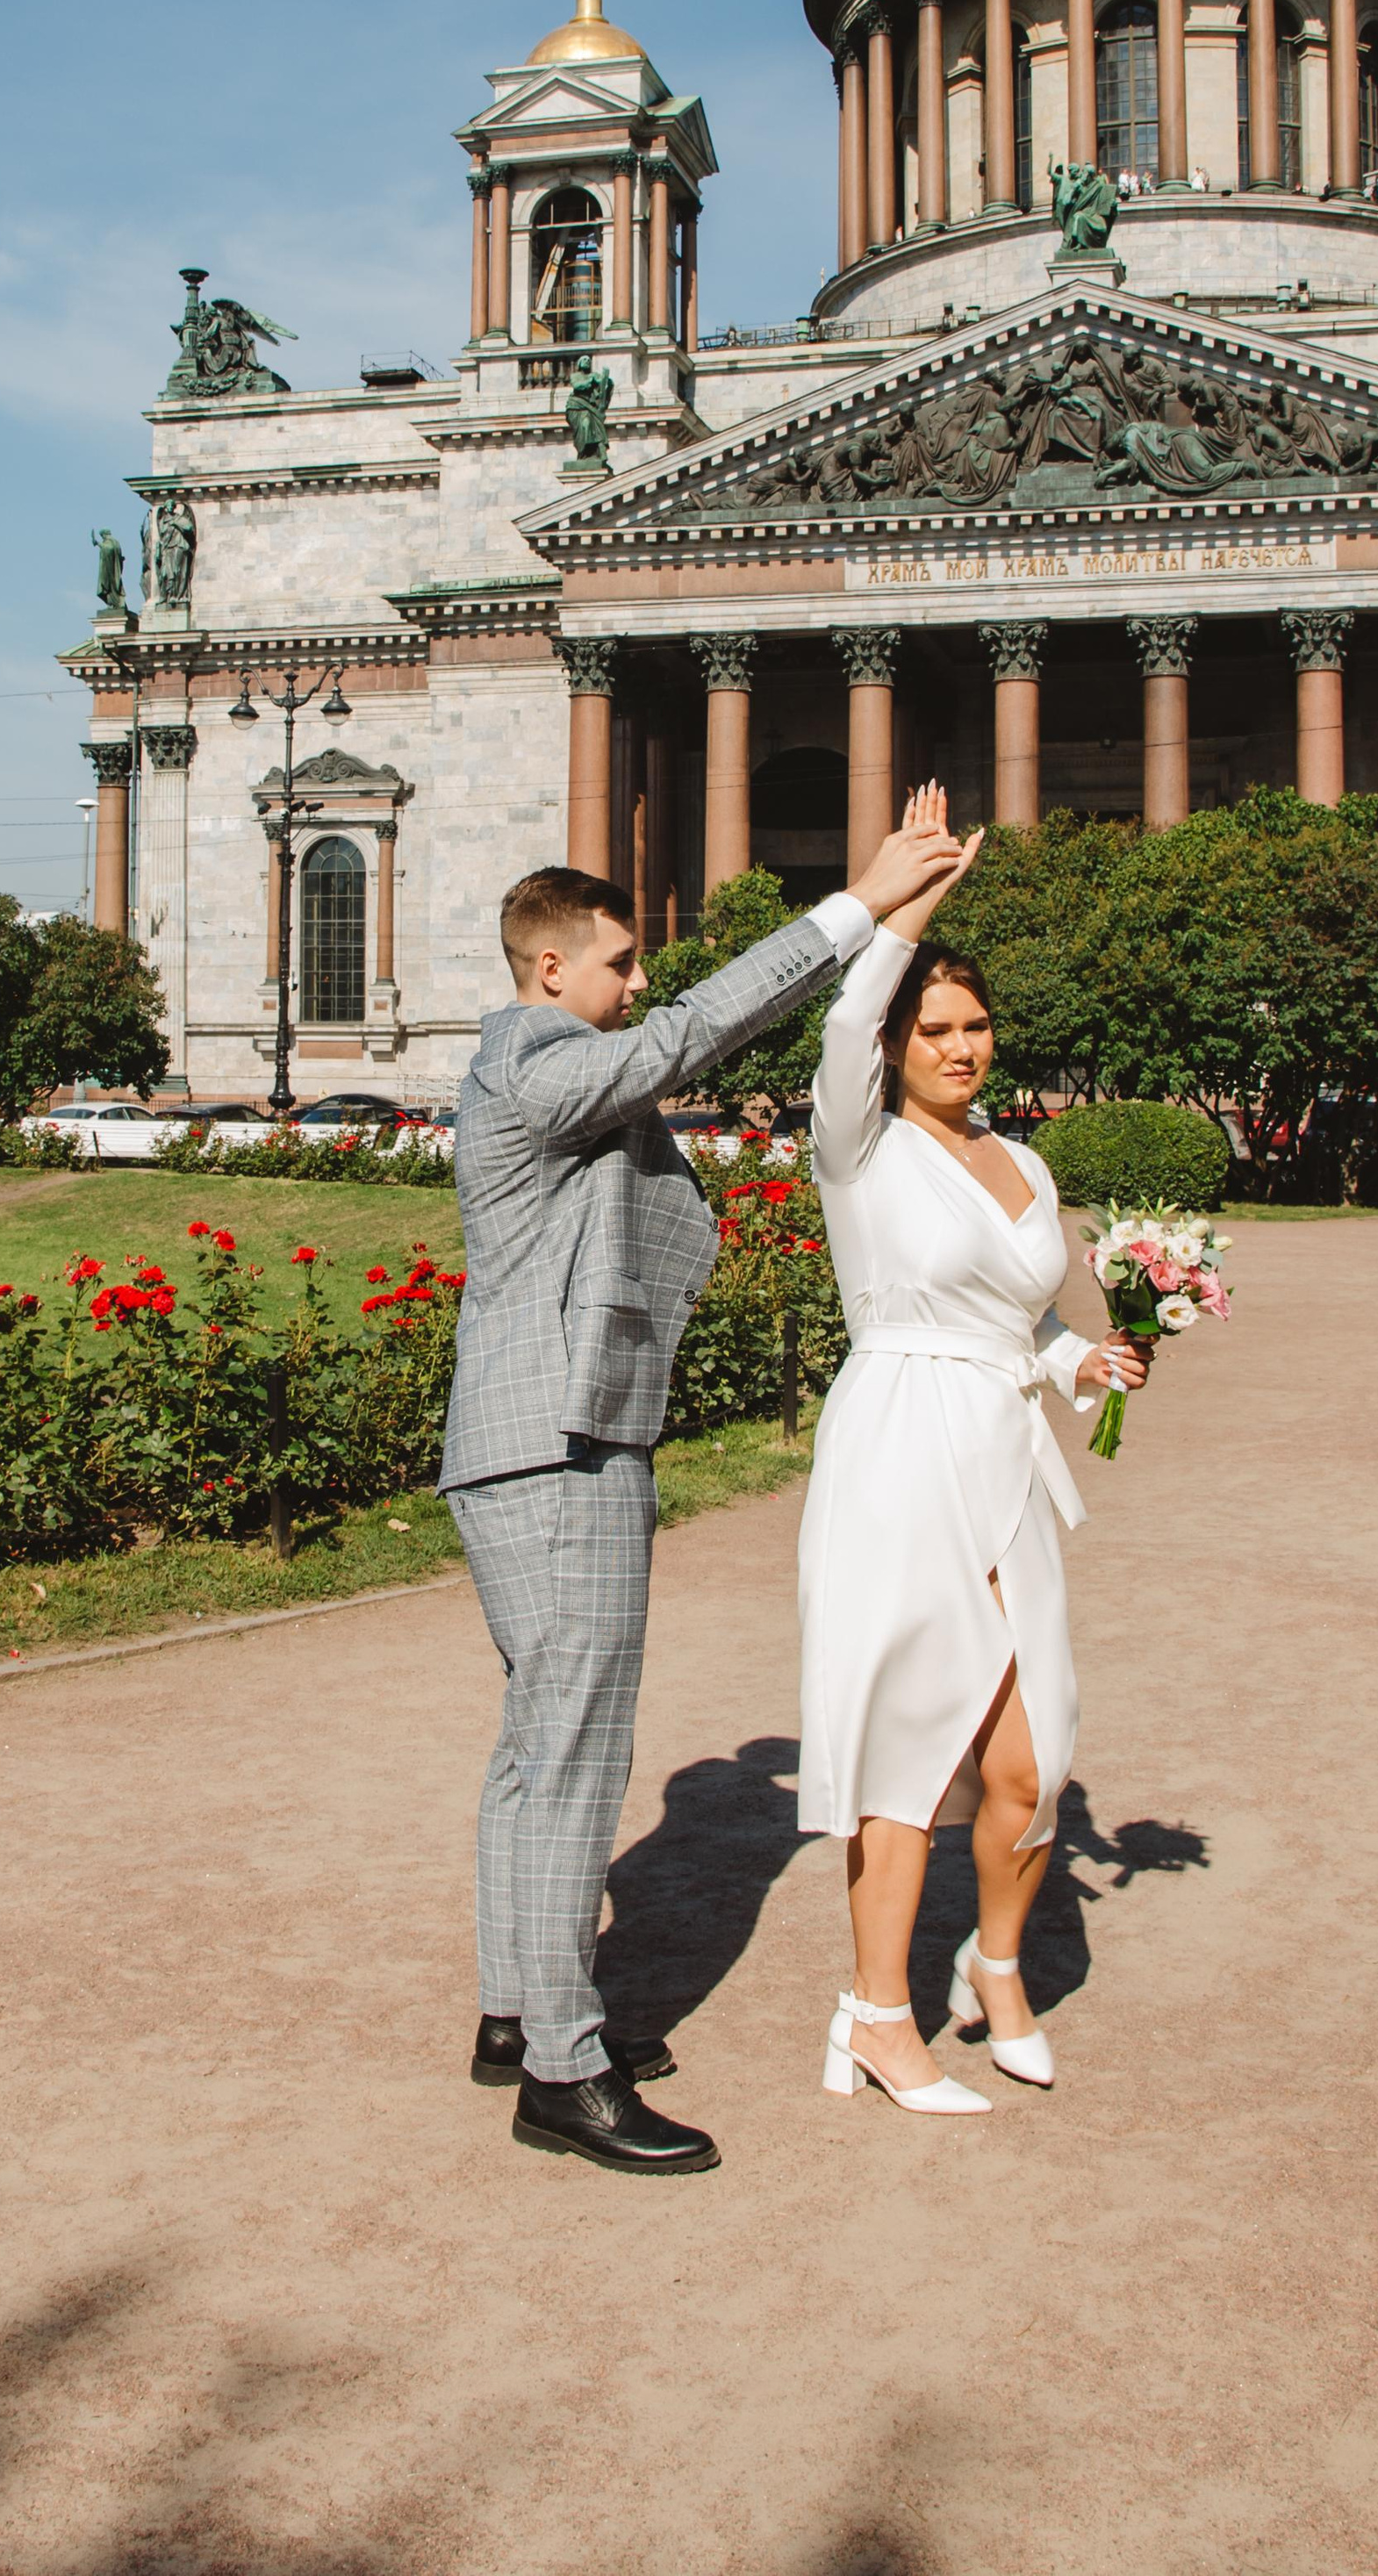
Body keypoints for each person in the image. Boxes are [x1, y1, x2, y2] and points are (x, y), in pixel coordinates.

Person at [444, 820, 953, 2177]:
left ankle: (520, 2009)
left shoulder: (541, 1066)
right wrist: (856, 908)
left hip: (529, 1443)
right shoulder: (537, 1056)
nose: (636, 985)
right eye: (618, 964)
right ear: (550, 970)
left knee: (535, 1750)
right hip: (561, 1447)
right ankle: (564, 2069)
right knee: (572, 1758)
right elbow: (692, 1035)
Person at [800, 786, 1148, 2117]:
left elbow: (1029, 1320)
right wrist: (915, 900)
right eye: (934, 1029)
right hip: (900, 1445)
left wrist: (1082, 1362)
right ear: (896, 1046)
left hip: (1005, 1448)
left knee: (1032, 1757)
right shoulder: (861, 1149)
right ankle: (878, 2018)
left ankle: (994, 1968)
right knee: (905, 1739)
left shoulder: (1025, 1163)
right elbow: (842, 1021)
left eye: (975, 1025)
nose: (960, 1048)